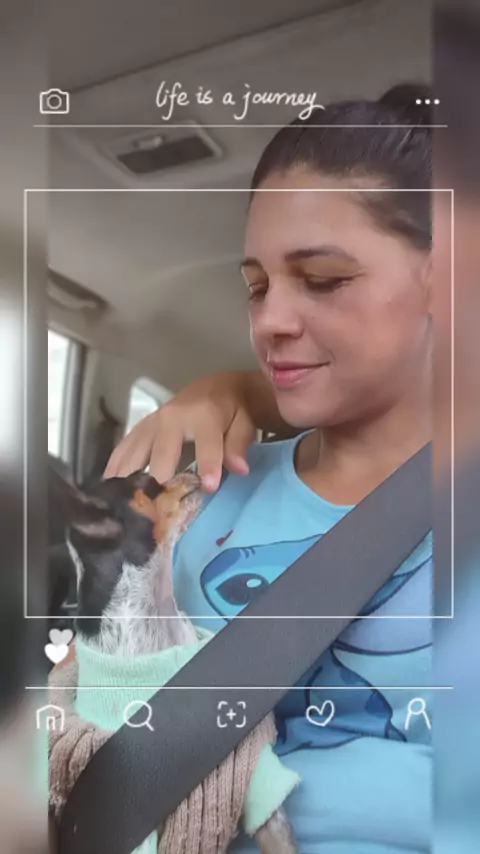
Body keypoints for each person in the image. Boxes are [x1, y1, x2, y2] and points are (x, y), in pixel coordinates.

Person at [106, 84, 433, 853]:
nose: (270, 322)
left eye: (323, 279)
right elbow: (96, 747)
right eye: (256, 287)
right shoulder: (197, 505)